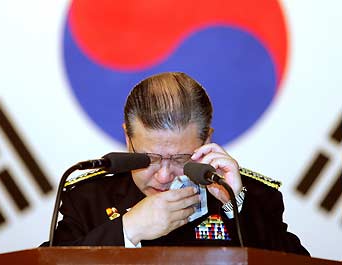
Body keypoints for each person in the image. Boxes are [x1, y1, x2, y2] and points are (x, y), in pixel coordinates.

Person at [52, 72, 309, 255]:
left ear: (207, 140)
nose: (163, 176)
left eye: (180, 159)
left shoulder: (249, 197)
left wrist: (234, 205)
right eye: (149, 158)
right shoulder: (88, 199)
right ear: (128, 139)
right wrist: (128, 230)